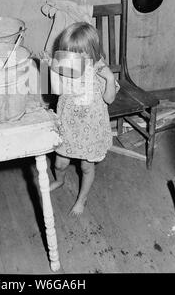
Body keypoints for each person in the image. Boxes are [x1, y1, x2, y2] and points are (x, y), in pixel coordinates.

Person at [42, 22, 119, 216]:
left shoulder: (100, 69)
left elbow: (109, 99)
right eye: (68, 52)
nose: (72, 58)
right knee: (60, 163)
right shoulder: (66, 65)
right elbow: (57, 90)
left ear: (90, 52)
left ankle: (82, 198)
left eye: (77, 53)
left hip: (91, 130)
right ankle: (60, 180)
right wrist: (48, 68)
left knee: (86, 166)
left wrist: (110, 79)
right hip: (68, 125)